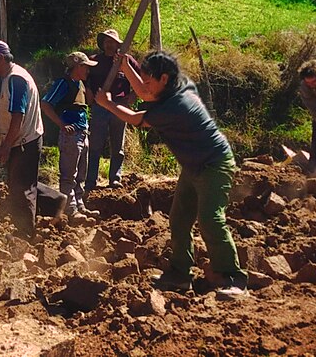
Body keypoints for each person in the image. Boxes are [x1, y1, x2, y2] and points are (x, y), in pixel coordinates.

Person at [95, 51, 247, 300]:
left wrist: (107, 104)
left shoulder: (176, 105)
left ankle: (234, 278)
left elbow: (136, 119)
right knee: (178, 220)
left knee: (210, 219)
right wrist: (125, 66)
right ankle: (179, 275)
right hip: (193, 165)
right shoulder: (177, 86)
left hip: (214, 164)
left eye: (148, 79)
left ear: (163, 78)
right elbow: (146, 92)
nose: (144, 85)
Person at [0, 40, 66, 236]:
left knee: (21, 189)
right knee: (21, 182)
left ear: (0, 58)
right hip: (24, 139)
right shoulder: (11, 77)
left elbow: (18, 115)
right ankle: (56, 201)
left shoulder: (16, 79)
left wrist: (6, 145)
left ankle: (25, 236)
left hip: (24, 142)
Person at [40, 52, 99, 218]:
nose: (88, 70)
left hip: (82, 133)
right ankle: (70, 209)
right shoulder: (63, 83)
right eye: (86, 67)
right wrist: (62, 125)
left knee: (81, 174)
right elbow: (45, 104)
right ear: (78, 66)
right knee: (68, 175)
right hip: (71, 135)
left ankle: (79, 205)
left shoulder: (80, 84)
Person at [85, 29, 140, 190]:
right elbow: (86, 81)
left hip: (120, 105)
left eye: (112, 42)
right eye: (107, 42)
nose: (109, 45)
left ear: (118, 44)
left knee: (118, 145)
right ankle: (91, 181)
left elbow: (142, 78)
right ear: (102, 44)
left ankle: (115, 179)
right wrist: (89, 97)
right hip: (100, 107)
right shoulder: (94, 61)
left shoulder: (126, 61)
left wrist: (133, 95)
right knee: (95, 145)